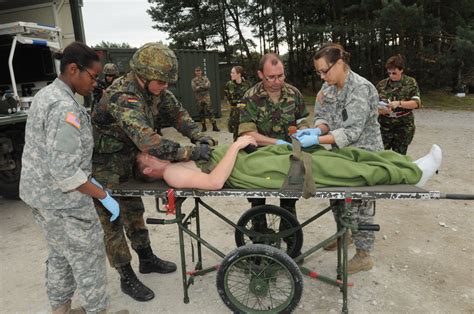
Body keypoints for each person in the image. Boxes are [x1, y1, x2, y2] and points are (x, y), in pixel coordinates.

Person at [91, 42, 217, 302]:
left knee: (134, 211)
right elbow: (148, 141)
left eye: (167, 82)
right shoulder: (122, 95)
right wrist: (190, 152)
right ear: (142, 75)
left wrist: (198, 136)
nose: (165, 87)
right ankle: (126, 275)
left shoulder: (156, 89)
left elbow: (178, 114)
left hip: (130, 161)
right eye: (161, 82)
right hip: (106, 167)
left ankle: (146, 258)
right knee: (113, 220)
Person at [19, 42, 121, 313]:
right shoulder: (66, 108)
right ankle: (96, 310)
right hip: (63, 202)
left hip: (39, 195)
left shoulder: (46, 94)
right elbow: (65, 173)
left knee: (60, 254)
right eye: (93, 76)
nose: (95, 82)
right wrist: (102, 195)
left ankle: (60, 309)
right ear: (74, 69)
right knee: (88, 257)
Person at [295, 43, 383, 274]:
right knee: (336, 199)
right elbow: (323, 117)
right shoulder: (327, 89)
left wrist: (316, 141)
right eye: (319, 72)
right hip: (340, 155)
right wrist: (317, 130)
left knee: (360, 206)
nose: (322, 76)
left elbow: (352, 131)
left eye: (325, 70)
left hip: (365, 156)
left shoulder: (360, 89)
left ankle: (364, 255)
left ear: (340, 63)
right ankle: (344, 235)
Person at [135, 138, 442, 191]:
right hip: (248, 170)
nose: (153, 150)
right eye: (147, 155)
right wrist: (238, 146)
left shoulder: (178, 158)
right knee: (335, 170)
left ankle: (406, 163)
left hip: (251, 160)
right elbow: (215, 181)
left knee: (336, 155)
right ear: (150, 170)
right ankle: (414, 174)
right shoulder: (173, 172)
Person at [238, 53, 309, 221]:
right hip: (260, 157)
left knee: (289, 202)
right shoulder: (250, 97)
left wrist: (304, 130)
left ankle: (291, 238)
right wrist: (277, 142)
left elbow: (302, 119)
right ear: (260, 74)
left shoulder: (294, 93)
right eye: (271, 77)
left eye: (281, 75)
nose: (277, 81)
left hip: (289, 156)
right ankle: (259, 239)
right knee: (258, 203)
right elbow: (247, 133)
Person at [376, 54, 422, 155]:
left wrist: (399, 103)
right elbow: (373, 104)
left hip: (403, 126)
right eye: (389, 73)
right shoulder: (381, 85)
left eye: (394, 73)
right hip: (384, 126)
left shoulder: (410, 83)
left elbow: (416, 103)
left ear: (401, 70)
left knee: (399, 157)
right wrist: (380, 110)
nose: (391, 76)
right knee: (381, 156)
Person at [224, 66, 252, 140]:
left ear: (239, 74)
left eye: (233, 73)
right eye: (231, 73)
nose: (231, 74)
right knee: (234, 133)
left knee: (245, 133)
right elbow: (227, 98)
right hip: (234, 113)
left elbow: (250, 99)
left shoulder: (247, 84)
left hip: (245, 113)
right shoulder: (229, 84)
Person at [191, 66, 220, 132]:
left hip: (206, 98)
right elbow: (194, 88)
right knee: (201, 113)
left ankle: (214, 127)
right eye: (197, 71)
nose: (198, 72)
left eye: (199, 71)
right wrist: (203, 86)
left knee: (210, 112)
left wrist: (200, 87)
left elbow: (208, 86)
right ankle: (204, 127)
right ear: (195, 72)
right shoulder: (193, 80)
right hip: (199, 99)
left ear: (201, 72)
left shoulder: (205, 78)